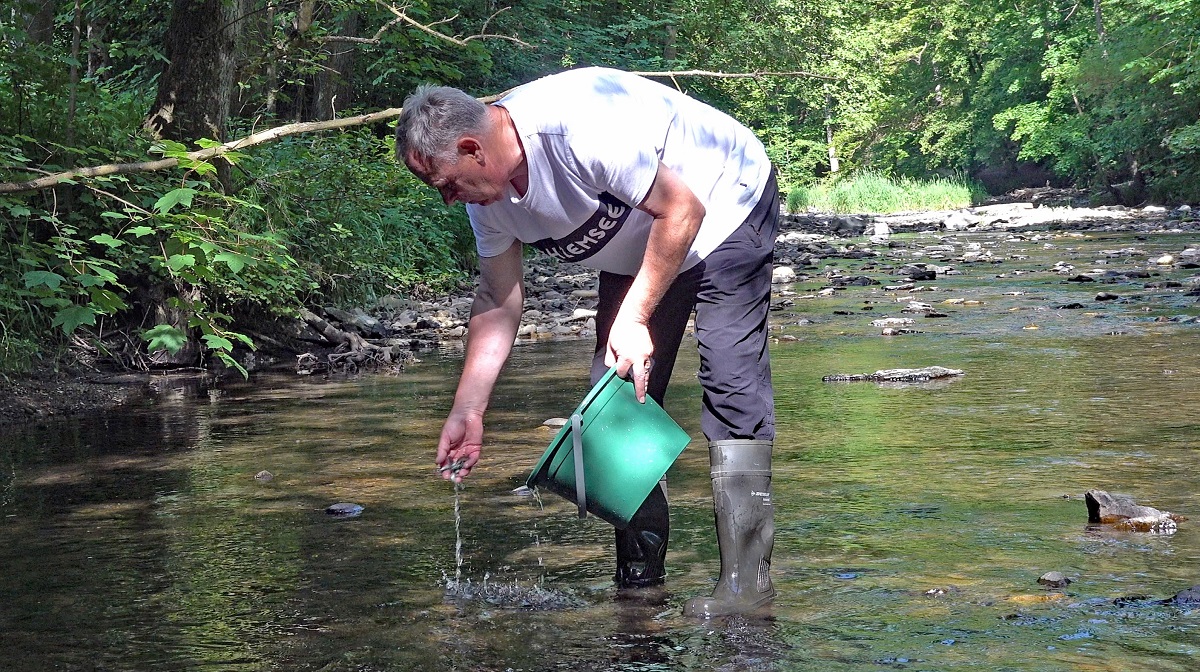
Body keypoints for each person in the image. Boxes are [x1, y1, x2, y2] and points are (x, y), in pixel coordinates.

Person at [395, 67, 778, 617]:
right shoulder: (489, 201)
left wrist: (636, 315)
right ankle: (640, 593)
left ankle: (745, 590)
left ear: (472, 148)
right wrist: (468, 408)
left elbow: (684, 209)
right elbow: (497, 300)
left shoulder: (579, 131)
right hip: (646, 234)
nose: (450, 201)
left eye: (446, 185)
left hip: (722, 202)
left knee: (731, 384)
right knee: (616, 402)